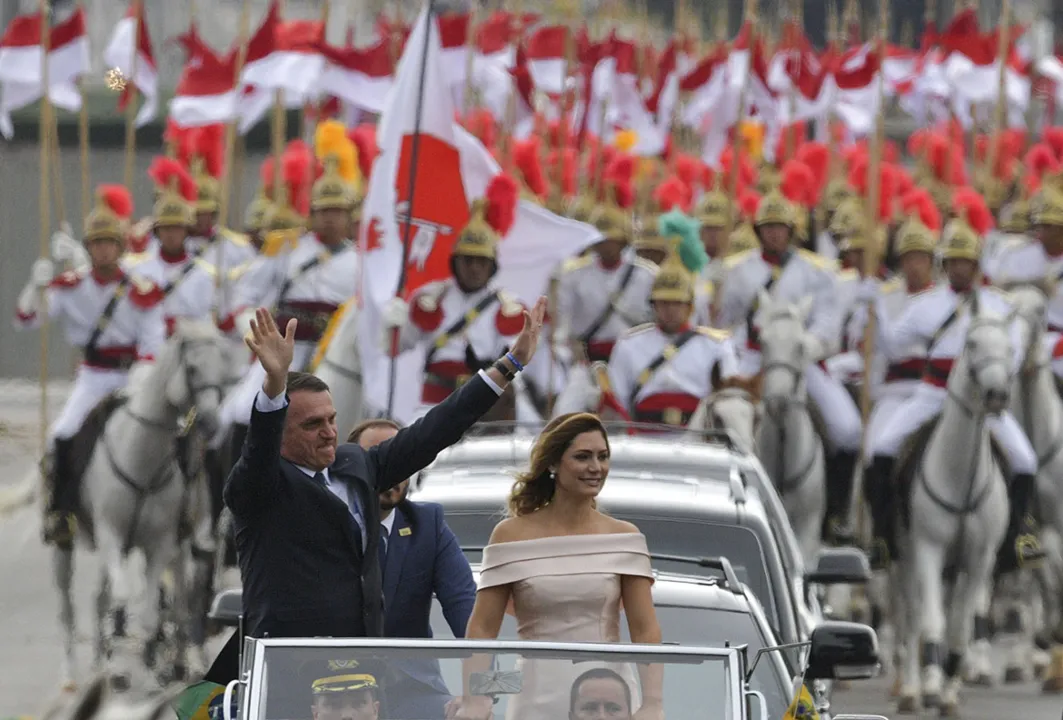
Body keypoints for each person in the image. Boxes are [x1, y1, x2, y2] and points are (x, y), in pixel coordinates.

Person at [205, 298, 546, 686]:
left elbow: (435, 429)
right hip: (288, 680)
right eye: (313, 424)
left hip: (367, 678)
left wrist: (509, 365)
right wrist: (274, 388)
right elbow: (258, 452)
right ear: (281, 432)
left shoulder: (358, 466)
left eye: (332, 420)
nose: (330, 432)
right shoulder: (260, 487)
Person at [865, 195, 1043, 572]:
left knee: (1025, 460)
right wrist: (877, 309)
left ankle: (1017, 537)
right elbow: (895, 343)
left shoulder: (997, 305)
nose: (961, 268)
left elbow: (1012, 350)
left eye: (968, 262)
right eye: (955, 262)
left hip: (981, 400)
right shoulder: (927, 303)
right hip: (933, 392)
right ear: (945, 265)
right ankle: (884, 535)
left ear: (977, 265)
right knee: (882, 448)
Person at [446, 413, 663, 720]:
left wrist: (652, 703)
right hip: (534, 696)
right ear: (552, 464)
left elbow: (645, 630)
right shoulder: (510, 535)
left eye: (602, 457)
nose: (596, 467)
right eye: (582, 457)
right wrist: (475, 698)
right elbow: (481, 629)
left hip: (606, 701)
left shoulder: (624, 537)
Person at [14, 184, 165, 547]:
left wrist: (143, 374)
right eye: (96, 243)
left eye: (109, 242)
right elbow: (28, 319)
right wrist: (34, 288)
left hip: (133, 378)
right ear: (88, 248)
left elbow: (153, 340)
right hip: (94, 377)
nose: (103, 249)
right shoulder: (71, 287)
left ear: (121, 246)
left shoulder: (140, 287)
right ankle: (61, 511)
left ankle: (180, 511)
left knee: (168, 430)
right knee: (61, 434)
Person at [348, 418, 477, 720]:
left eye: (404, 460)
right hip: (340, 691)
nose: (394, 471)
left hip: (415, 692)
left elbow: (469, 613)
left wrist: (478, 692)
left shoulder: (427, 525)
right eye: (381, 458)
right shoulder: (325, 526)